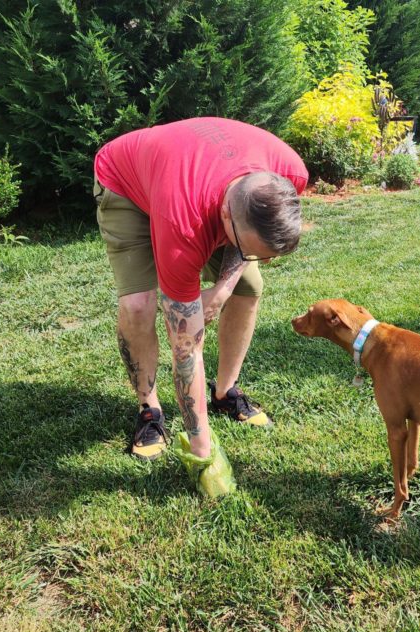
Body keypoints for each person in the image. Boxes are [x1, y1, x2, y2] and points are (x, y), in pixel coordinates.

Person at [93, 117, 307, 490]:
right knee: (139, 306)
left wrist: (223, 289)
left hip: (186, 175)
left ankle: (226, 393)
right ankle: (149, 409)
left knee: (247, 286)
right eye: (249, 248)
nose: (266, 261)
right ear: (225, 215)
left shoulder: (289, 172)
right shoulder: (184, 222)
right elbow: (186, 348)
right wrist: (202, 451)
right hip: (126, 184)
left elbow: (245, 251)